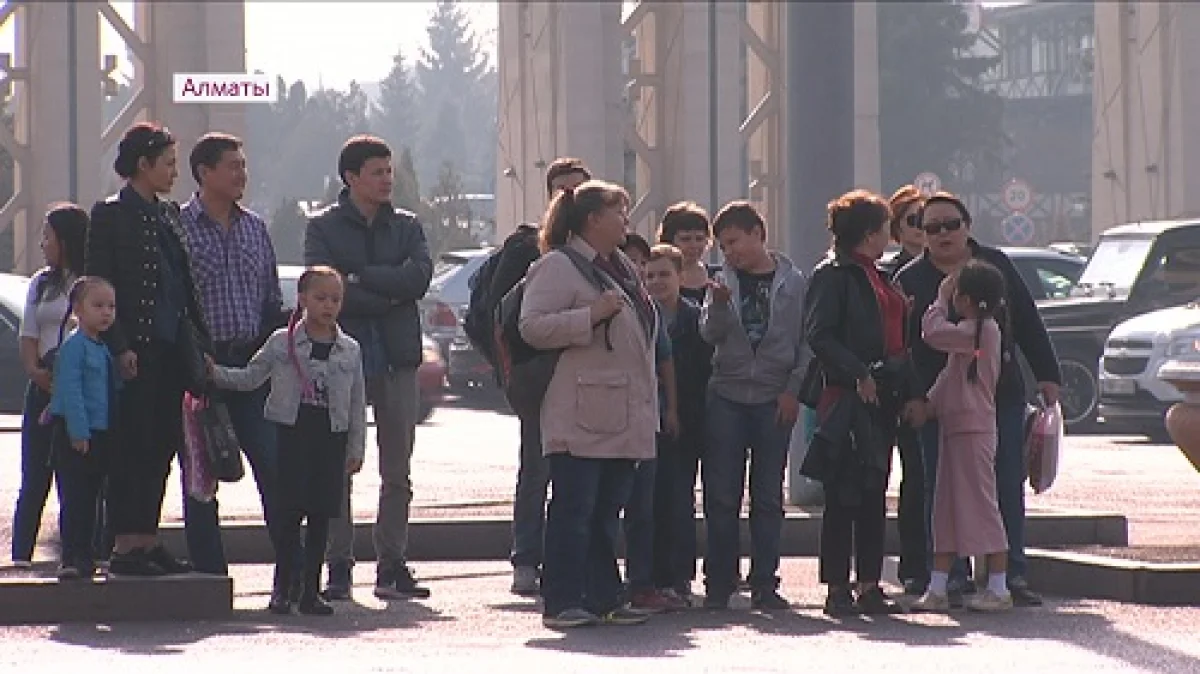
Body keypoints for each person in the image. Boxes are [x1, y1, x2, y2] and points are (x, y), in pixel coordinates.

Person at [896, 192, 1060, 607]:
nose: (942, 234)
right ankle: (950, 577)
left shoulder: (995, 267)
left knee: (1004, 484)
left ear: (967, 226)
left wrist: (1048, 375)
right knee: (941, 488)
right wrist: (915, 395)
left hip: (997, 398)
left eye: (951, 224)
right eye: (931, 228)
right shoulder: (911, 277)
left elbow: (1026, 319)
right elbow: (903, 344)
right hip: (937, 402)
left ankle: (1009, 576)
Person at [520, 180, 655, 629]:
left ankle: (604, 598)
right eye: (620, 212)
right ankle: (560, 601)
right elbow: (533, 327)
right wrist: (591, 316)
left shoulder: (620, 266)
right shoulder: (558, 266)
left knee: (604, 514)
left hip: (620, 412)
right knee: (574, 511)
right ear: (593, 219)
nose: (626, 221)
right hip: (580, 413)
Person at [304, 135, 433, 601]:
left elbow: (418, 278)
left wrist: (361, 278)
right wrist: (383, 286)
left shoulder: (408, 226)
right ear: (351, 177)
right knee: (339, 463)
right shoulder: (322, 227)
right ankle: (338, 563)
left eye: (389, 171)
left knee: (398, 466)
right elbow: (325, 288)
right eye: (376, 172)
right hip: (344, 359)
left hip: (398, 356)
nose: (386, 180)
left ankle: (392, 563)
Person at [86, 122, 211, 577]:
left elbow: (185, 285)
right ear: (143, 164)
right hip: (134, 349)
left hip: (171, 349)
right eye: (169, 163)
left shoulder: (169, 214)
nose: (175, 173)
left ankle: (148, 538)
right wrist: (118, 346)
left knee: (161, 446)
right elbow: (97, 284)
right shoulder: (110, 214)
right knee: (130, 447)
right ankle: (125, 545)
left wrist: (200, 343)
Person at [207, 267, 366, 616]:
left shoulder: (349, 350)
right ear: (303, 299)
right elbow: (251, 377)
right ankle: (283, 587)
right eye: (320, 298)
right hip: (293, 432)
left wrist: (356, 449)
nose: (328, 306)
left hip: (331, 436)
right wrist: (215, 373)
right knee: (288, 513)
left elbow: (356, 404)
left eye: (335, 299)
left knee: (322, 514)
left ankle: (311, 590)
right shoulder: (283, 342)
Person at [801, 190, 918, 616]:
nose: (889, 233)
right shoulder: (834, 274)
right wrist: (858, 372)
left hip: (882, 394)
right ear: (870, 232)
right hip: (848, 395)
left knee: (873, 490)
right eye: (885, 226)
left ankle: (869, 583)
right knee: (843, 493)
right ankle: (837, 586)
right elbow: (819, 334)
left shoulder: (878, 273)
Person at [180, 132, 290, 578]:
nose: (241, 173)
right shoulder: (181, 227)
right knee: (200, 476)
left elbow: (268, 299)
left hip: (252, 366)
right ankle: (210, 576)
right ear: (205, 173)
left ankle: (292, 572)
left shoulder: (255, 228)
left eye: (243, 165)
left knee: (273, 466)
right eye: (232, 166)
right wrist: (194, 361)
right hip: (200, 369)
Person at [700, 200, 807, 610]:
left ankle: (765, 581)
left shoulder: (794, 281)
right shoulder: (721, 280)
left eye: (735, 242)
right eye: (723, 246)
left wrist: (792, 390)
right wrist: (722, 304)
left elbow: (805, 342)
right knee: (722, 496)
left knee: (767, 496)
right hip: (726, 395)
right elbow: (709, 334)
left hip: (772, 397)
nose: (730, 253)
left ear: (758, 234)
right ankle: (720, 581)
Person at [504, 157, 591, 597]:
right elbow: (502, 319)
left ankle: (577, 562)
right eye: (563, 190)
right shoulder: (525, 251)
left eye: (580, 189)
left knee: (585, 475)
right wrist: (513, 373)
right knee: (537, 470)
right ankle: (526, 558)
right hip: (538, 377)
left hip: (592, 380)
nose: (571, 199)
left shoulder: (606, 251)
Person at [911, 260, 1013, 613]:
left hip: (974, 428)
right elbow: (950, 378)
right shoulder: (973, 337)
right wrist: (928, 404)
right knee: (946, 508)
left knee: (982, 505)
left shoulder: (982, 332)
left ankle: (999, 587)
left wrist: (938, 300)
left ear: (966, 299)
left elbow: (932, 332)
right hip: (956, 427)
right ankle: (937, 586)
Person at [12, 204, 88, 567]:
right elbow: (28, 333)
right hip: (42, 384)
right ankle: (20, 557)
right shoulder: (41, 282)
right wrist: (34, 371)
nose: (43, 244)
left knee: (77, 477)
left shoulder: (89, 281)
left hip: (77, 388)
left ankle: (79, 554)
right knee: (33, 477)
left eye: (48, 236)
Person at [617, 234, 685, 613]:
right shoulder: (609, 299)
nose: (640, 271)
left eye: (641, 263)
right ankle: (605, 583)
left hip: (648, 416)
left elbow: (666, 360)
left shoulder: (647, 307)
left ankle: (643, 582)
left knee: (646, 506)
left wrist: (671, 408)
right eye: (632, 262)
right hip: (607, 416)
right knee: (607, 505)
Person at [644, 243, 712, 605]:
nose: (657, 282)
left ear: (681, 276)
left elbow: (704, 371)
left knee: (680, 499)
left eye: (664, 274)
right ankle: (649, 576)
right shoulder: (640, 316)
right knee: (648, 501)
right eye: (650, 275)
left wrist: (681, 411)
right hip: (645, 419)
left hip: (687, 419)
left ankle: (680, 576)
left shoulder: (696, 318)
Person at [46, 277, 119, 580]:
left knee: (92, 496)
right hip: (77, 434)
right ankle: (72, 556)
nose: (106, 313)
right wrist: (78, 431)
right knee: (75, 496)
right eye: (98, 305)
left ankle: (87, 553)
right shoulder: (75, 346)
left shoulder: (101, 347)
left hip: (99, 432)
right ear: (78, 309)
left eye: (111, 306)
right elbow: (71, 389)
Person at [882, 185, 929, 596]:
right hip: (899, 387)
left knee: (946, 479)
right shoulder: (889, 273)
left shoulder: (957, 266)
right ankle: (914, 564)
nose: (925, 227)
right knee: (914, 476)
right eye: (914, 220)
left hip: (949, 390)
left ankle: (951, 564)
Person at [656, 202, 718, 303]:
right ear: (669, 240)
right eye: (685, 239)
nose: (693, 245)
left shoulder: (718, 275)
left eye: (699, 239)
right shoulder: (657, 278)